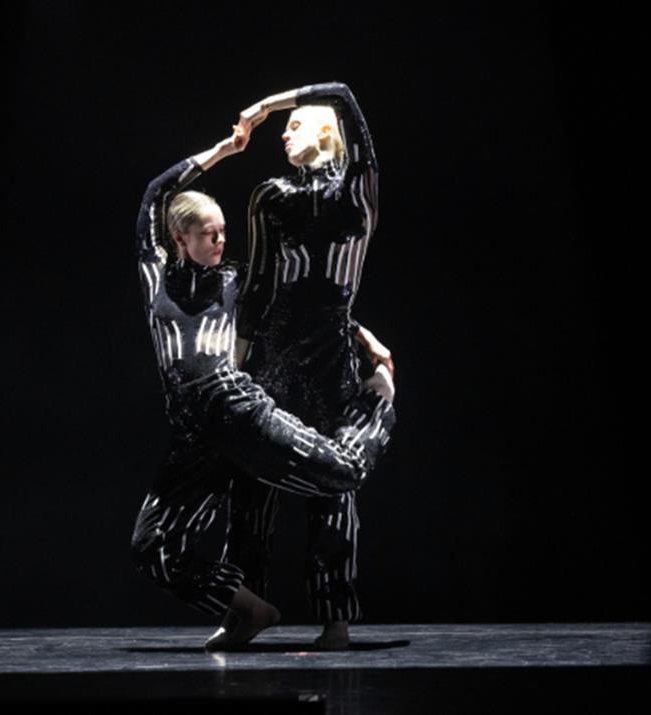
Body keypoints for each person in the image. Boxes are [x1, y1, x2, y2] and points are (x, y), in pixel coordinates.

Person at [129, 125, 396, 651]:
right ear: (179, 238)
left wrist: (363, 337)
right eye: (209, 234)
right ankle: (250, 609)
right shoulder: (155, 272)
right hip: (194, 431)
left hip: (239, 409)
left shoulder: (237, 280)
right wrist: (222, 151)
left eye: (224, 232)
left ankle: (380, 397)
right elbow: (155, 193)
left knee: (341, 475)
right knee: (152, 546)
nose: (220, 241)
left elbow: (303, 307)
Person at [224, 82, 389, 650]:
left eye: (295, 125)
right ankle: (246, 610)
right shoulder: (270, 196)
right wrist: (237, 361)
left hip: (329, 360)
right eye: (283, 127)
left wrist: (267, 105)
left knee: (332, 490)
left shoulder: (357, 192)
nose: (284, 135)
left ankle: (336, 620)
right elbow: (258, 285)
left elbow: (343, 93)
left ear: (325, 129)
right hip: (274, 355)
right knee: (252, 487)